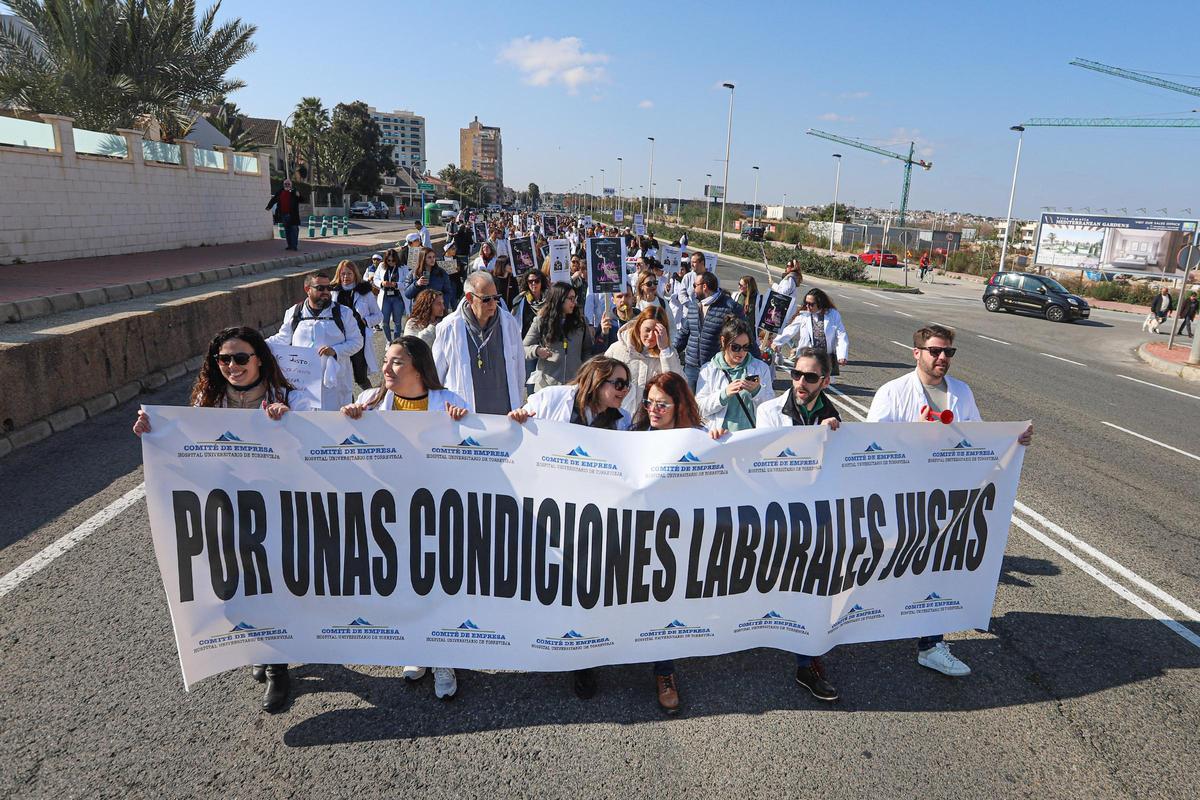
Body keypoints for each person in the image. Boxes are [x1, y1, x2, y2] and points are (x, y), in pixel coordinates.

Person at [133, 326, 312, 713]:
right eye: (224, 359)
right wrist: (152, 431)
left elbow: (316, 444)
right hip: (224, 506)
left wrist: (293, 422)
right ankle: (259, 648)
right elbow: (182, 442)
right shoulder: (206, 399)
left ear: (260, 358)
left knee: (273, 583)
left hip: (276, 506)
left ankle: (279, 666)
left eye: (241, 358)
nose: (232, 366)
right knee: (234, 583)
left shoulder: (291, 398)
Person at [867, 325, 1033, 677]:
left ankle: (930, 644)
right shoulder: (892, 393)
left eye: (949, 353)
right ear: (917, 353)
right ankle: (875, 621)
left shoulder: (961, 392)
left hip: (946, 501)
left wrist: (1013, 440)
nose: (943, 358)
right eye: (935, 351)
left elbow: (979, 439)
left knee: (938, 568)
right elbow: (871, 446)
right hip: (902, 498)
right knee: (893, 566)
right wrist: (915, 430)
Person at [340, 336, 468, 699]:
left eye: (396, 362)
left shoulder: (450, 403)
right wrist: (347, 421)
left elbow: (475, 456)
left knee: (437, 581)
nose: (386, 368)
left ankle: (444, 655)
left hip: (438, 509)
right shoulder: (369, 402)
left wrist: (464, 425)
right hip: (391, 510)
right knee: (406, 582)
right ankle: (418, 646)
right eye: (386, 362)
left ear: (418, 367)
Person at [756, 347, 841, 700]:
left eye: (809, 377)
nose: (800, 383)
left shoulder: (834, 419)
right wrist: (813, 441)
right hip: (775, 514)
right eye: (795, 374)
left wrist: (833, 439)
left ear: (825, 381)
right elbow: (769, 460)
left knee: (812, 590)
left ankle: (807, 663)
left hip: (814, 520)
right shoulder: (769, 411)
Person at [628, 371, 714, 714]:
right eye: (649, 402)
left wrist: (719, 441)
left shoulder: (698, 439)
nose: (653, 409)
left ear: (679, 405)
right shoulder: (632, 436)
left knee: (663, 604)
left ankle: (665, 672)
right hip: (634, 535)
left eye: (661, 404)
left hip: (675, 540)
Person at [433, 271, 526, 414]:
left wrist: (518, 405)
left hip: (505, 416)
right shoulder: (448, 328)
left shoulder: (509, 324)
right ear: (470, 298)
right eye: (486, 299)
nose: (493, 304)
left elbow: (519, 368)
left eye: (496, 298)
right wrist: (445, 409)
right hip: (466, 418)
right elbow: (435, 377)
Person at [268, 272, 364, 410]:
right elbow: (282, 338)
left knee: (335, 421)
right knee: (306, 420)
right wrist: (256, 344)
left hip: (334, 382)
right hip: (304, 382)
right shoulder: (294, 312)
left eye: (328, 288)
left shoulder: (343, 313)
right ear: (307, 289)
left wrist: (335, 350)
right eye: (320, 288)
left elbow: (357, 342)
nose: (326, 292)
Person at [673, 272, 755, 390]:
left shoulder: (730, 307)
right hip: (691, 368)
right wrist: (667, 353)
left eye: (695, 285)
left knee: (710, 406)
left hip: (715, 368)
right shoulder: (693, 306)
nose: (693, 289)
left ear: (704, 286)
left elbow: (747, 336)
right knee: (688, 406)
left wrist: (759, 366)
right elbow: (683, 334)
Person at [696, 317, 775, 432]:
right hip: (720, 436)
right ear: (723, 342)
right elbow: (699, 408)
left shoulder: (761, 368)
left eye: (746, 347)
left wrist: (758, 392)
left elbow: (771, 408)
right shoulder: (708, 369)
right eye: (735, 347)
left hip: (750, 435)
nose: (741, 352)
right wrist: (723, 395)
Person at [604, 306, 680, 418]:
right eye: (647, 330)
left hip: (648, 422)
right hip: (618, 418)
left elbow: (676, 386)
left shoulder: (668, 354)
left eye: (657, 332)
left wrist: (665, 351)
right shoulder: (617, 349)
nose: (651, 336)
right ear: (639, 326)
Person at [523, 281, 594, 391]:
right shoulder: (541, 321)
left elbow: (587, 350)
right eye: (570, 299)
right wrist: (537, 351)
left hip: (574, 387)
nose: (574, 302)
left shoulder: (580, 322)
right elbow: (523, 348)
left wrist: (584, 373)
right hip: (547, 387)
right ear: (559, 299)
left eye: (575, 298)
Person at [772, 288, 848, 377]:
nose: (807, 306)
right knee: (806, 380)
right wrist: (777, 343)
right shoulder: (804, 315)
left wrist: (842, 355)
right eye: (806, 303)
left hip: (825, 358)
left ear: (820, 303)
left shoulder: (833, 314)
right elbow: (790, 330)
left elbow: (841, 335)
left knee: (822, 383)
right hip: (806, 356)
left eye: (811, 304)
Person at [332, 260, 382, 392]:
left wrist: (365, 321)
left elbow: (378, 316)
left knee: (360, 377)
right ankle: (347, 403)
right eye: (342, 274)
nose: (345, 277)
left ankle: (372, 400)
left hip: (358, 339)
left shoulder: (365, 292)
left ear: (355, 274)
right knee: (340, 377)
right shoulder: (333, 293)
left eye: (349, 273)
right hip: (338, 339)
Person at [406, 246, 459, 311]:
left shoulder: (441, 273)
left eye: (434, 257)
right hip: (420, 310)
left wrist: (440, 303)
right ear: (423, 258)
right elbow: (408, 294)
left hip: (436, 311)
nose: (432, 259)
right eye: (429, 257)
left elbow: (448, 292)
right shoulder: (413, 273)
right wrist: (416, 284)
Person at [375, 248, 410, 342]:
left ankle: (396, 341)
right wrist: (382, 283)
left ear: (396, 259)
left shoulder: (403, 267)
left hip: (397, 297)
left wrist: (397, 285)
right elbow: (376, 279)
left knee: (397, 321)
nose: (391, 262)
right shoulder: (381, 266)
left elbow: (407, 282)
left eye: (393, 260)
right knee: (384, 322)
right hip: (385, 297)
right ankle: (389, 341)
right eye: (388, 260)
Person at [266, 179, 304, 251]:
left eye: (288, 184)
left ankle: (294, 246)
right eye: (285, 184)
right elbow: (274, 199)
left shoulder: (294, 192)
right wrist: (269, 206)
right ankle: (289, 245)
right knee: (287, 231)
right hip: (284, 214)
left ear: (291, 185)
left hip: (293, 215)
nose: (287, 185)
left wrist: (299, 196)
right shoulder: (280, 192)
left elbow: (302, 200)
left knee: (294, 230)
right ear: (283, 185)